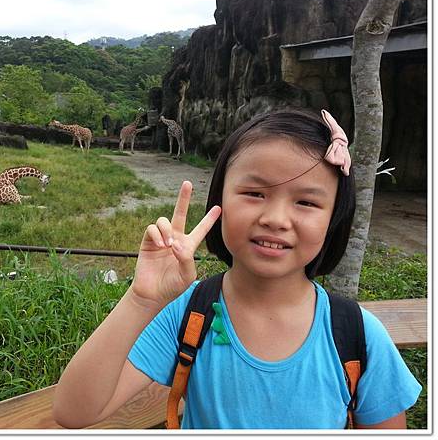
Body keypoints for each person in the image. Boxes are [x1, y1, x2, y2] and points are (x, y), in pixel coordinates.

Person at [53, 109, 421, 429]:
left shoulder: (356, 335)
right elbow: (74, 412)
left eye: (306, 202)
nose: (275, 219)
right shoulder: (186, 315)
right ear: (219, 200)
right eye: (255, 194)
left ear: (334, 218)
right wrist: (140, 299)